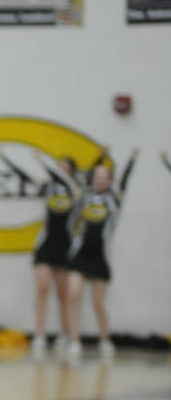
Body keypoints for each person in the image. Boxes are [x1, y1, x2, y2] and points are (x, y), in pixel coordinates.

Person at [0, 147, 100, 360]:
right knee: (42, 287)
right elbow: (25, 175)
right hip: (46, 244)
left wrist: (45, 163)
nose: (59, 172)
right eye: (58, 167)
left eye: (64, 168)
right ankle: (40, 333)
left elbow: (76, 179)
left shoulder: (75, 189)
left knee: (63, 293)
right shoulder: (48, 188)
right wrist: (6, 158)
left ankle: (64, 333)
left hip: (65, 246)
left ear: (71, 172)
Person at [65, 151, 136, 362]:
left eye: (104, 177)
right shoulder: (84, 197)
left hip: (100, 255)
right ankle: (74, 340)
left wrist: (131, 160)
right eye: (96, 176)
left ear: (109, 180)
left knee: (97, 303)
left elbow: (124, 182)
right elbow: (72, 221)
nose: (99, 180)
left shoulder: (114, 199)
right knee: (74, 294)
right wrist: (99, 156)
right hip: (81, 253)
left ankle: (105, 339)